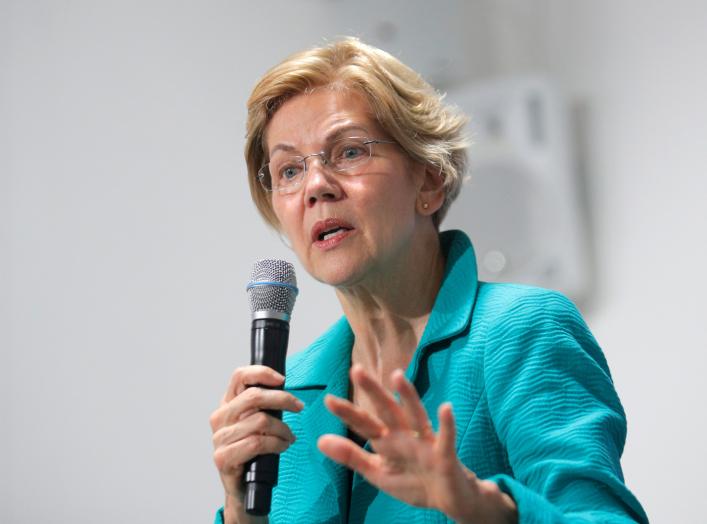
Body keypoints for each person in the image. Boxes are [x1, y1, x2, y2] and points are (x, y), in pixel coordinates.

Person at [209, 38, 648, 524]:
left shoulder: (520, 332)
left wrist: (478, 506)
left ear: (429, 180)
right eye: (289, 169)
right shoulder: (286, 398)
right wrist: (238, 512)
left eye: (349, 151)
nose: (316, 186)